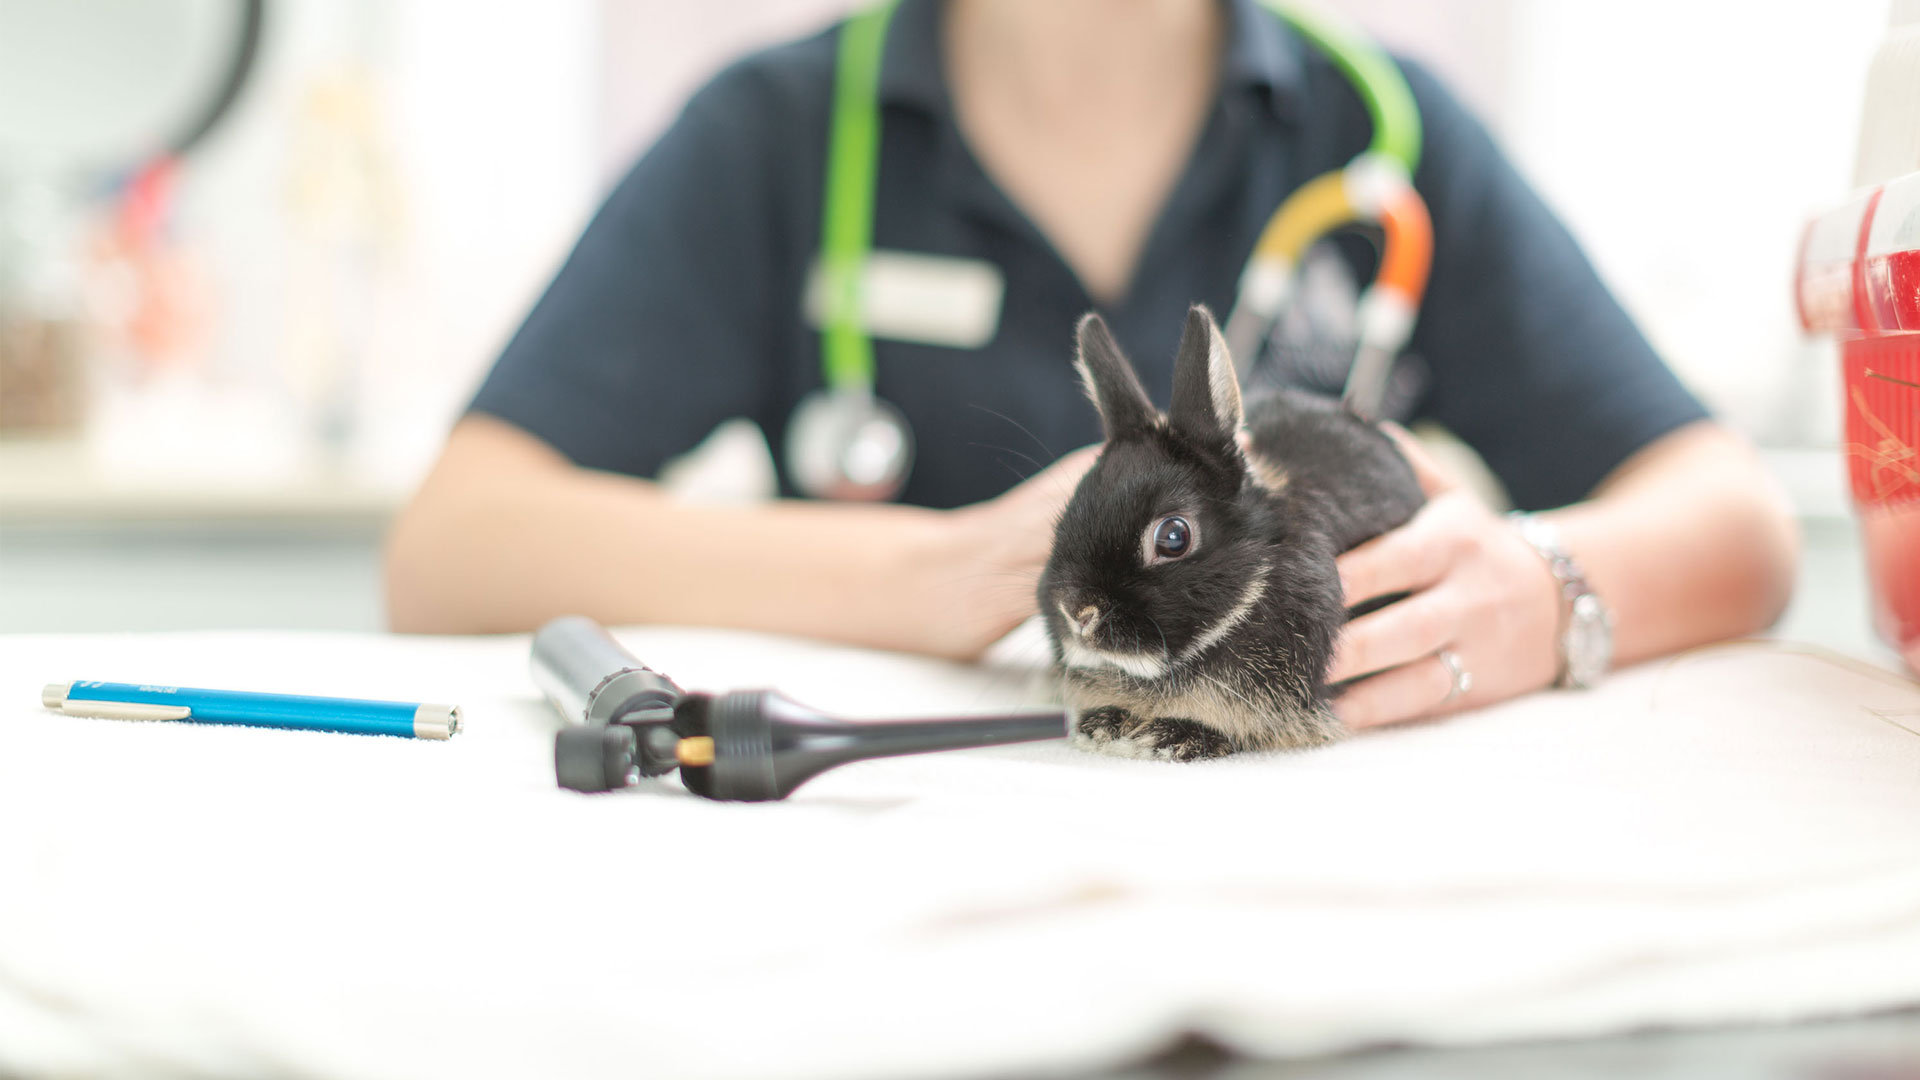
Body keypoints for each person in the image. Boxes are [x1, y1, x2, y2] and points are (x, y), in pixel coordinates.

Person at [386, 0, 1797, 732]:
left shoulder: (1381, 134)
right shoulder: (778, 136)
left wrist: (1549, 592)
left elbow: (1735, 522)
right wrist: (941, 573)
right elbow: (454, 544)